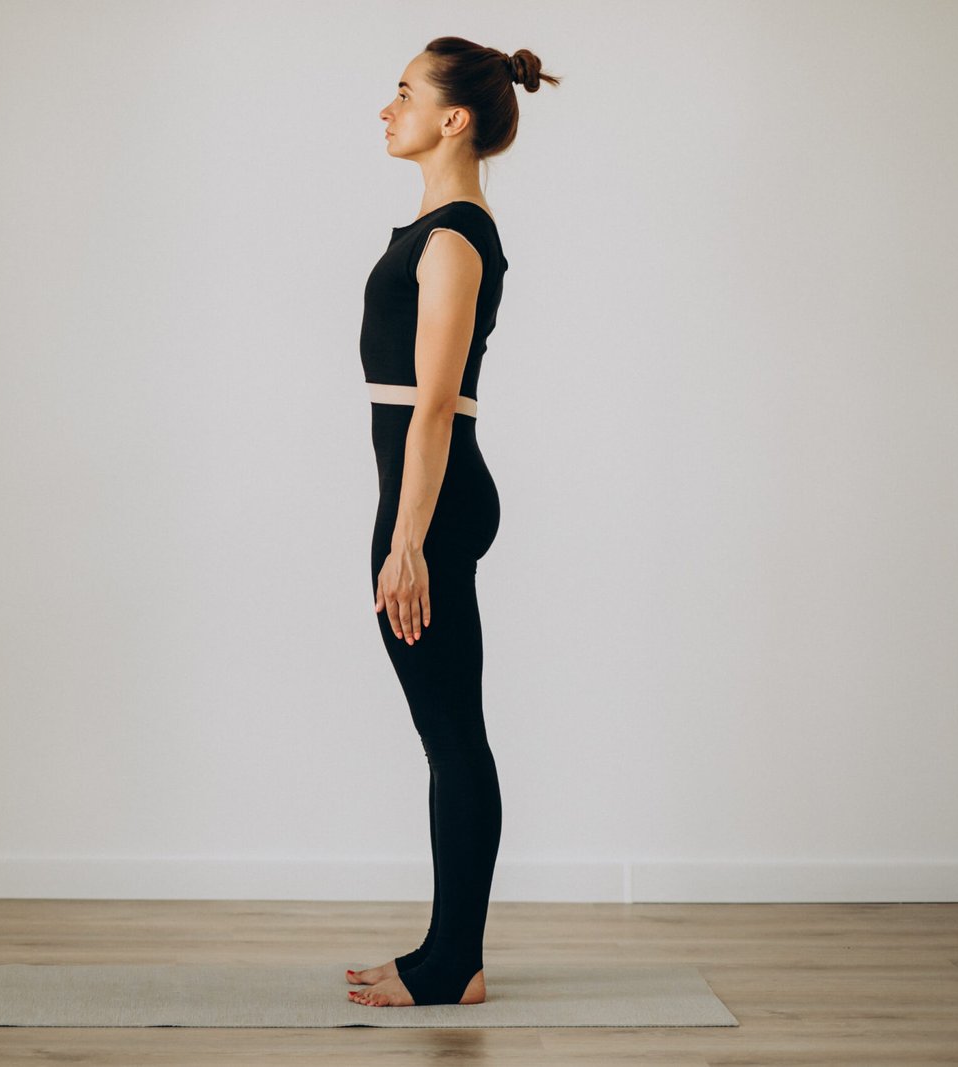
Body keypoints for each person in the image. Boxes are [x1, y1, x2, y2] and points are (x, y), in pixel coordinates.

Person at [346, 38, 559, 1008]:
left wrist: (405, 543)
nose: (386, 110)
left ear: (452, 118)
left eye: (403, 93)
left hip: (431, 506)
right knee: (446, 733)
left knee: (454, 736)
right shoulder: (438, 229)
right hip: (424, 500)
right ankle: (445, 947)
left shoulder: (454, 239)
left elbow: (432, 406)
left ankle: (455, 963)